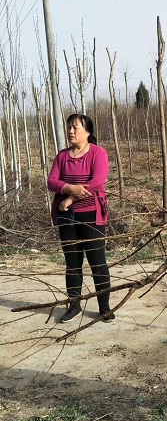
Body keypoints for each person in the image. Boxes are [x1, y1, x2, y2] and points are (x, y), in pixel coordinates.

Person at [47, 114, 114, 324]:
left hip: (91, 214)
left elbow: (98, 181)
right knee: (72, 263)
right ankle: (74, 305)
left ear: (88, 132)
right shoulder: (62, 156)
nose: (71, 131)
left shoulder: (97, 153)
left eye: (76, 128)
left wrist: (70, 198)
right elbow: (52, 181)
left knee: (97, 261)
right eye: (69, 127)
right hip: (67, 217)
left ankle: (104, 307)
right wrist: (69, 188)